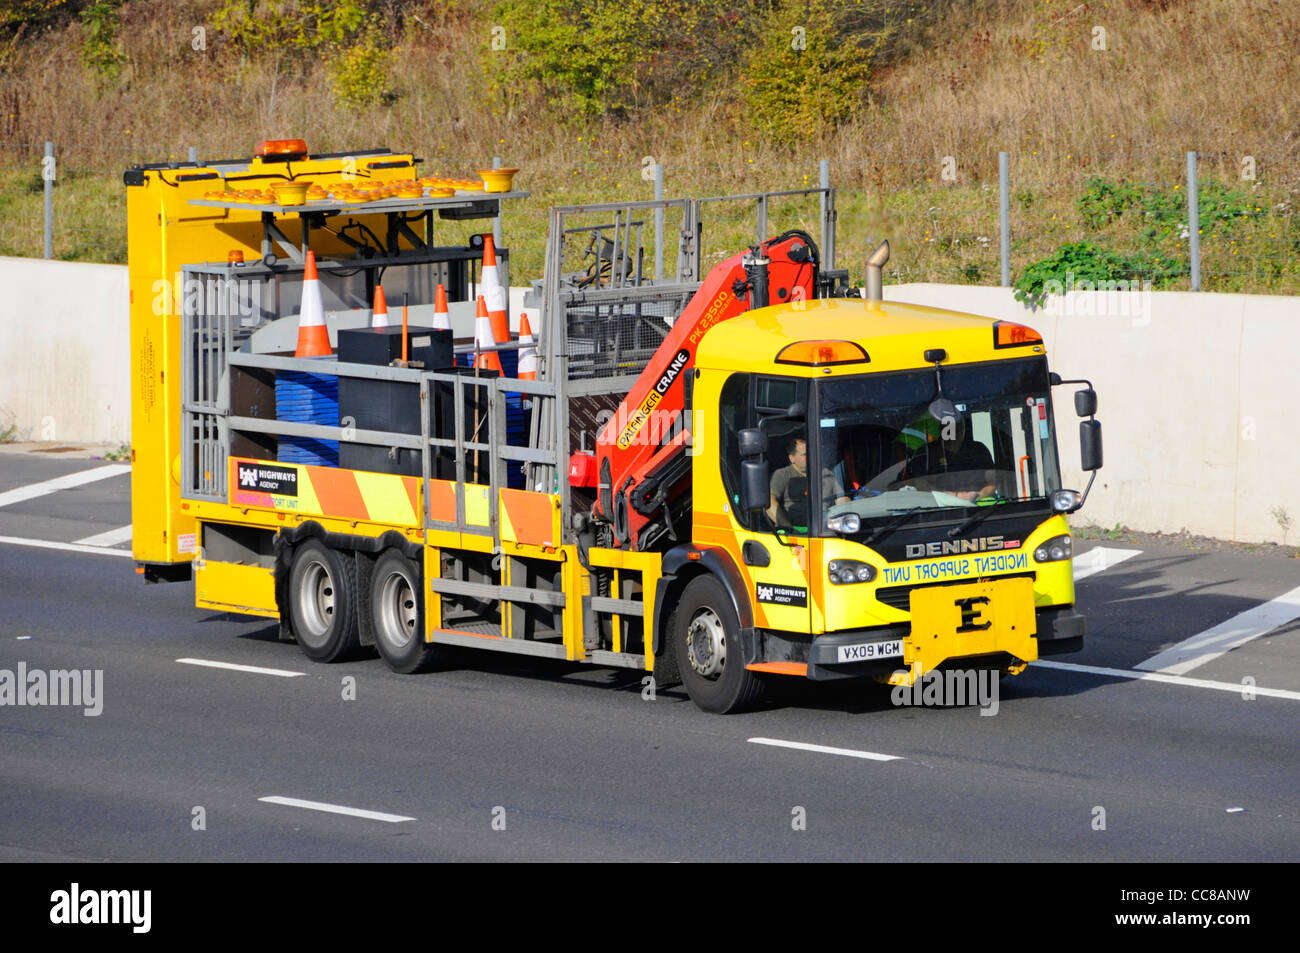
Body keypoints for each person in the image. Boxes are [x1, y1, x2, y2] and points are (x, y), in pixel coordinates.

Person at [903, 417, 996, 502]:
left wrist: (979, 496)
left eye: (956, 427)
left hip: (979, 509)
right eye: (947, 426)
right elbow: (920, 485)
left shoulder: (978, 449)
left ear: (963, 428)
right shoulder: (926, 453)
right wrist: (956, 497)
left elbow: (993, 481)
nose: (952, 430)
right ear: (941, 429)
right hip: (939, 512)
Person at [768, 437, 849, 528]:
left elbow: (841, 500)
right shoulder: (782, 475)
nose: (810, 457)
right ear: (792, 458)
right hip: (794, 533)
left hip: (827, 529)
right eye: (805, 454)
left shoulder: (826, 474)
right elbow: (770, 502)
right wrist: (787, 527)